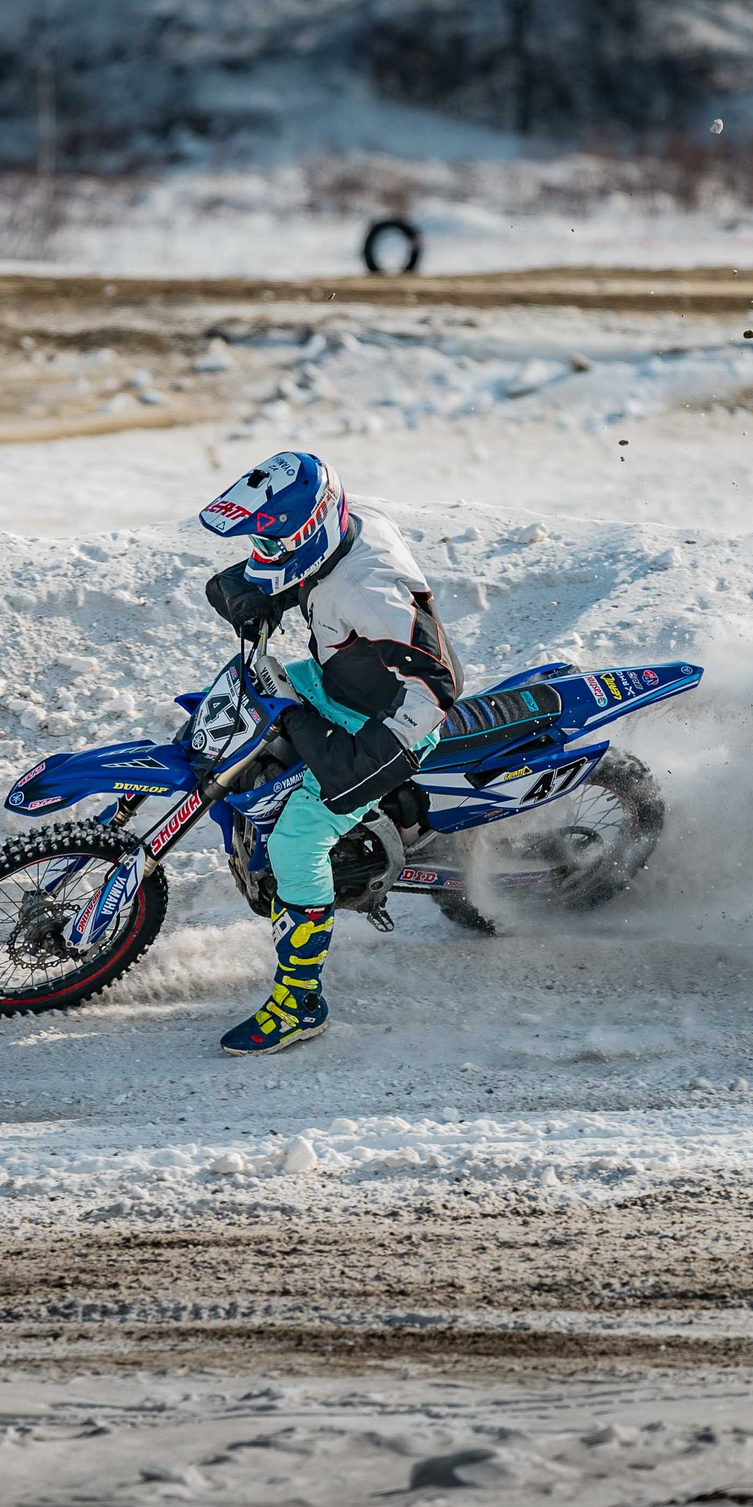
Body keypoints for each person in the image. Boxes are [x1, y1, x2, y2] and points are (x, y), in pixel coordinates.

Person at [198, 452, 463, 1055]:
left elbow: (438, 684)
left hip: (396, 720)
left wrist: (366, 748)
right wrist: (254, 592)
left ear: (310, 528)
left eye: (273, 538)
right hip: (343, 679)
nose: (264, 548)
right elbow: (285, 572)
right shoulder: (347, 523)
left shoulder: (374, 594)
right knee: (239, 710)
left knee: (296, 840)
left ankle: (300, 1004)